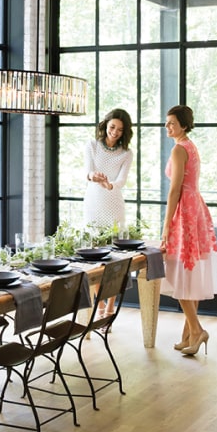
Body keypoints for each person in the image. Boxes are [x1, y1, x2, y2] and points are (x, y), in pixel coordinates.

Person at [159, 105, 217, 356]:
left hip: (185, 212)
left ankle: (196, 331)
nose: (168, 127)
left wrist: (167, 225)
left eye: (172, 123)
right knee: (191, 272)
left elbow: (175, 190)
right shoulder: (191, 146)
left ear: (184, 125)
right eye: (166, 123)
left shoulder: (178, 149)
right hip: (195, 207)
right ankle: (187, 333)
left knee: (179, 274)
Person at [84, 108, 134, 319]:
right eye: (112, 127)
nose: (115, 132)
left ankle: (110, 307)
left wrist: (109, 185)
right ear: (105, 125)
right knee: (94, 256)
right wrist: (94, 176)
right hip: (93, 202)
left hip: (113, 202)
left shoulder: (126, 153)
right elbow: (87, 172)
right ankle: (99, 303)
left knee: (114, 259)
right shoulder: (92, 145)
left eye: (120, 130)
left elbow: (122, 180)